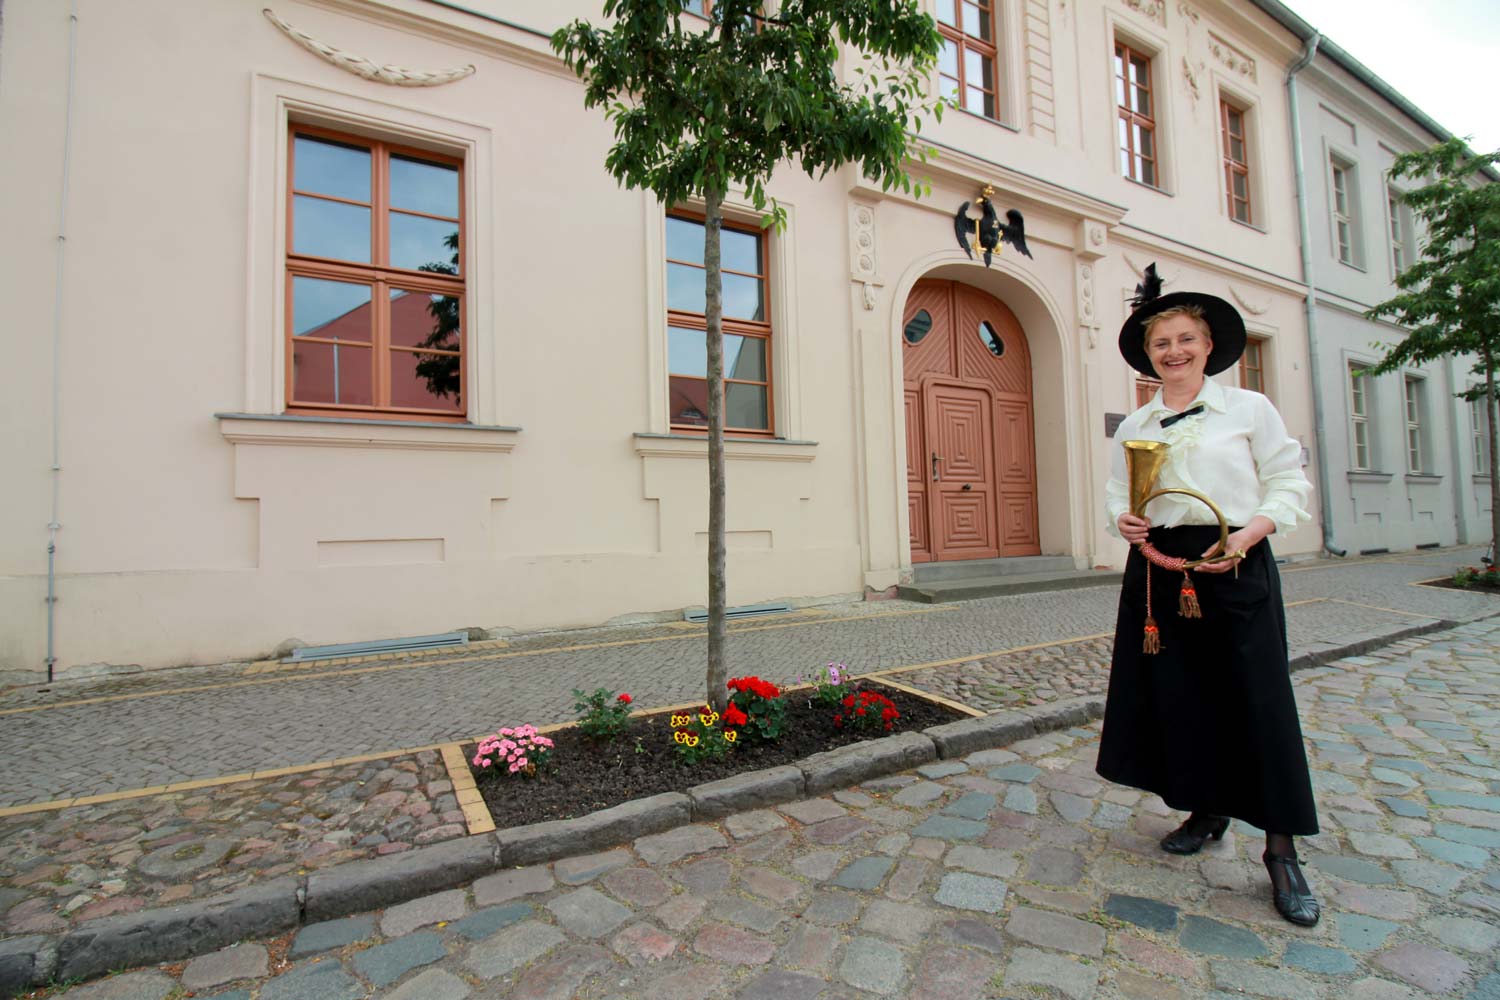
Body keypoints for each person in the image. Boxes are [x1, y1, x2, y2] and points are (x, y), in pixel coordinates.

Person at [1095, 266, 1321, 927]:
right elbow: (1119, 493)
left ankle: (1281, 850)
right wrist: (1125, 521)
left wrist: (1249, 533)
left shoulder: (1250, 410)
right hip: (1159, 572)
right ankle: (1206, 809)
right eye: (1162, 342)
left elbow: (1288, 483)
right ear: (1149, 353)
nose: (1174, 352)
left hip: (1235, 563)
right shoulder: (1136, 421)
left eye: (1185, 339)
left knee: (1259, 700)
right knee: (1181, 696)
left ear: (1208, 345)